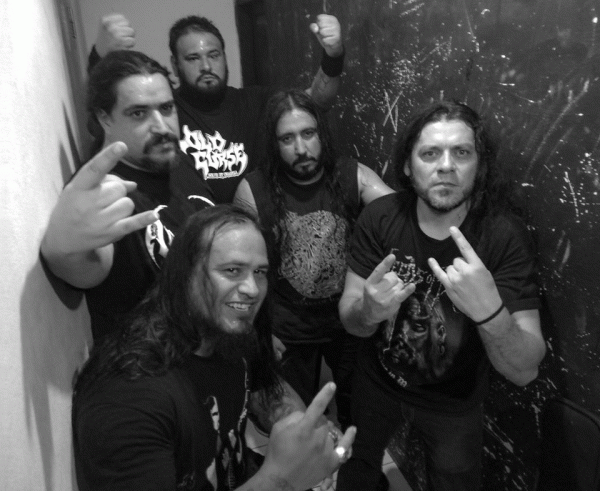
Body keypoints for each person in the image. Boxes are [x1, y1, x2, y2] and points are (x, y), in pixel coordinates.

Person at [334, 101, 547, 491]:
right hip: (377, 383)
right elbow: (351, 321)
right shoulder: (380, 217)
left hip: (454, 403)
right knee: (357, 469)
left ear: (479, 166)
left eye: (461, 152)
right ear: (407, 165)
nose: (446, 166)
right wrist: (369, 311)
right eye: (430, 153)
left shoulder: (502, 236)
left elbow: (524, 369)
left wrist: (490, 313)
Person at [72, 204, 356, 491]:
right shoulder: (128, 398)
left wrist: (309, 434)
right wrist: (281, 479)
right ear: (184, 274)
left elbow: (266, 389)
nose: (252, 289)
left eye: (259, 272)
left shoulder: (227, 333)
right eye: (232, 270)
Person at [233, 89, 395, 430]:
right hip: (286, 326)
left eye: (308, 133)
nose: (301, 148)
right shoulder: (254, 190)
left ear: (321, 133)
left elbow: (400, 218)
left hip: (347, 320)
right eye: (287, 138)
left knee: (358, 411)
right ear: (274, 144)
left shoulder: (352, 175)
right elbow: (240, 267)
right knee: (296, 422)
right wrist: (257, 330)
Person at [41, 50, 214, 341]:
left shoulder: (176, 161)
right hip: (152, 363)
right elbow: (81, 265)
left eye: (167, 108)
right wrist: (62, 249)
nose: (162, 127)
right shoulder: (103, 193)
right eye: (138, 113)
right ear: (104, 118)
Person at [91, 12, 345, 203]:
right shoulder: (166, 111)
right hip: (192, 231)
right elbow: (105, 122)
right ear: (175, 64)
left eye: (213, 55)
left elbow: (316, 102)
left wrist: (333, 55)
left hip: (253, 229)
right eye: (193, 58)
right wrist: (99, 55)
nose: (206, 66)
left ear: (224, 56)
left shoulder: (255, 101)